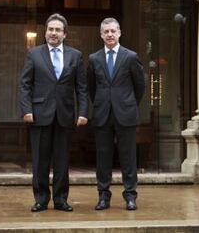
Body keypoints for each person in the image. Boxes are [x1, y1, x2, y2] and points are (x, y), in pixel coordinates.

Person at [19, 13, 88, 212]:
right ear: (45, 32)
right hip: (39, 115)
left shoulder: (75, 55)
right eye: (51, 29)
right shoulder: (34, 54)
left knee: (62, 161)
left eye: (58, 30)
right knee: (40, 160)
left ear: (65, 34)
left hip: (65, 116)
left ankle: (60, 199)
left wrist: (83, 112)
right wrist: (26, 110)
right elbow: (25, 85)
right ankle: (41, 199)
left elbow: (81, 88)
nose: (54, 33)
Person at [88, 17, 145, 211]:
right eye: (106, 32)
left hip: (126, 113)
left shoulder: (130, 57)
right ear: (101, 35)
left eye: (113, 31)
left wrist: (128, 103)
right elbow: (91, 88)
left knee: (128, 157)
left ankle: (130, 196)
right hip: (102, 114)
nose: (110, 35)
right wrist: (102, 102)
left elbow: (140, 86)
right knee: (103, 157)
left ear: (119, 33)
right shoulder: (94, 59)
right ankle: (103, 196)